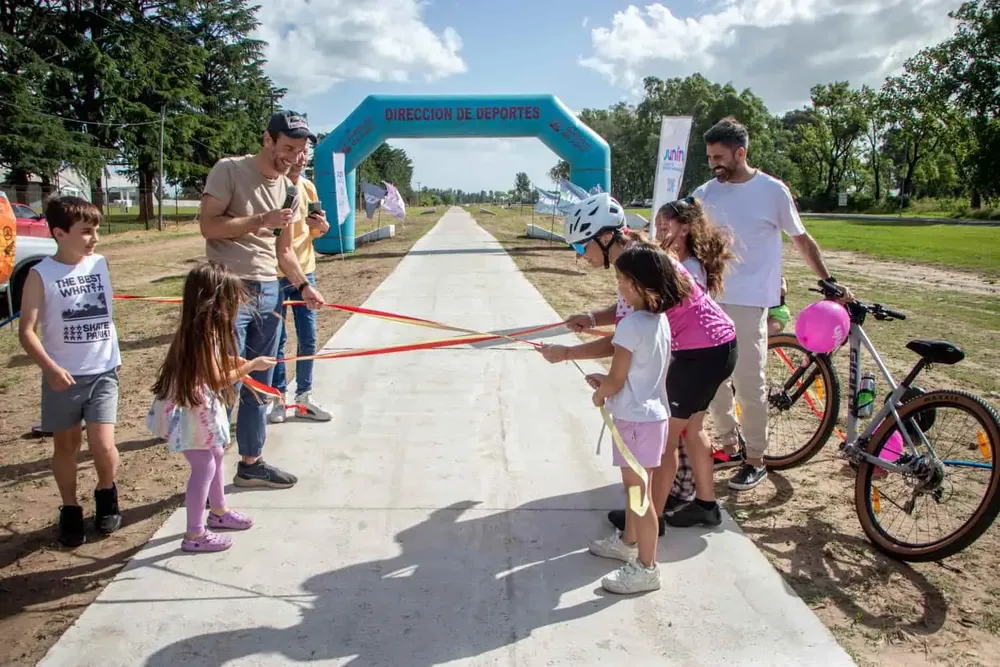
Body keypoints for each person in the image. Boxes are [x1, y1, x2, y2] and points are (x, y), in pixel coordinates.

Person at [693, 116, 851, 491]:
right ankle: (730, 446)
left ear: (740, 152)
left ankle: (755, 460)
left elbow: (802, 239)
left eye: (719, 156)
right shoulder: (704, 193)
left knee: (750, 383)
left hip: (750, 303)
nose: (714, 164)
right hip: (710, 301)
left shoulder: (772, 191)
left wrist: (827, 279)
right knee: (712, 381)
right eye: (710, 156)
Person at [538, 193, 693, 532]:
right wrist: (592, 319)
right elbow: (627, 337)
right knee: (642, 485)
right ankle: (639, 535)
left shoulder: (637, 306)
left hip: (642, 416)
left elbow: (619, 361)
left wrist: (588, 378)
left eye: (582, 248)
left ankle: (643, 540)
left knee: (640, 488)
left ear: (606, 238)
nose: (581, 257)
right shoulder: (647, 297)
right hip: (651, 413)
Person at [198, 110, 326, 489]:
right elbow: (209, 226)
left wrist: (304, 286)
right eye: (287, 147)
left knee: (260, 380)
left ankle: (251, 463)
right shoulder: (230, 170)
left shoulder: (290, 189)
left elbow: (285, 252)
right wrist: (258, 221)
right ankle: (208, 478)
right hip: (228, 288)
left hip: (269, 291)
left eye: (301, 150)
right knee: (224, 382)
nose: (293, 157)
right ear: (267, 139)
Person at [17, 196, 123, 547]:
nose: (94, 239)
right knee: (67, 447)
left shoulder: (101, 264)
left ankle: (106, 494)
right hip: (63, 377)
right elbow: (27, 331)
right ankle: (70, 509)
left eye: (96, 231)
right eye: (87, 232)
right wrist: (50, 368)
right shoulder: (40, 274)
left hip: (104, 371)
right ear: (60, 234)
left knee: (103, 445)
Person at [147, 261, 266, 552]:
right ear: (216, 299)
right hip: (194, 409)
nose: (237, 303)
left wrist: (233, 363)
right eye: (232, 298)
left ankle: (219, 513)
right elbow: (214, 379)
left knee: (215, 454)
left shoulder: (200, 328)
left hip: (197, 405)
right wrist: (251, 365)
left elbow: (209, 368)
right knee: (204, 467)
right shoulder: (203, 333)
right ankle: (194, 534)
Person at [584, 243, 679, 595]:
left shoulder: (629, 327)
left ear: (643, 284)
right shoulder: (659, 321)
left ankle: (646, 567)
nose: (619, 285)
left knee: (640, 498)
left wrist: (600, 392)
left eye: (624, 279)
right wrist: (608, 384)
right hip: (652, 418)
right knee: (638, 492)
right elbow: (637, 372)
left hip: (635, 423)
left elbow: (616, 379)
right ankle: (628, 544)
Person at [648, 196, 739, 528]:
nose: (659, 232)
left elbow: (671, 314)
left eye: (665, 226)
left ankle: (650, 518)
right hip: (712, 350)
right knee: (692, 430)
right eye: (655, 226)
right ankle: (705, 503)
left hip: (697, 356)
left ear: (685, 227)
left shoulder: (688, 268)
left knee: (666, 438)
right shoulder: (679, 262)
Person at [269, 148, 332, 424]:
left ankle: (304, 398)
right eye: (298, 151)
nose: (303, 157)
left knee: (308, 337)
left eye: (307, 152)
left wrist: (322, 227)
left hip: (306, 271)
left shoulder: (308, 187)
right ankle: (278, 398)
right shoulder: (272, 186)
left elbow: (312, 232)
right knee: (277, 340)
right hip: (275, 273)